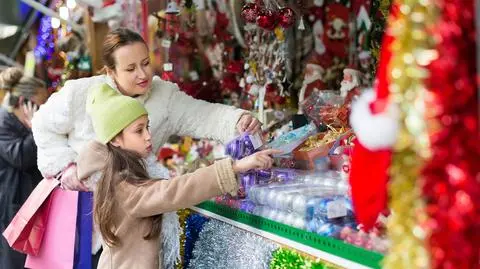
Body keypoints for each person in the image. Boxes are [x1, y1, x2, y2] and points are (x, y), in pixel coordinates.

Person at [31, 28, 261, 267]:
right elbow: (42, 125)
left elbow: (203, 115)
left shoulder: (164, 96)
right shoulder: (79, 93)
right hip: (80, 209)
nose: (142, 74)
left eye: (145, 63)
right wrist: (67, 167)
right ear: (111, 71)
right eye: (130, 69)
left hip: (132, 212)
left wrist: (237, 120)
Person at [76, 83, 277, 269]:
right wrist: (235, 167)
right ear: (116, 140)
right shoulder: (122, 187)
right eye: (139, 131)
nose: (148, 135)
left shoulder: (123, 172)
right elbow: (171, 191)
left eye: (147, 126)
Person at [0, 67, 49, 268]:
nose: (44, 111)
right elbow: (19, 156)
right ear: (23, 102)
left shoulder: (21, 123)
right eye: (41, 105)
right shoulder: (4, 122)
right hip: (11, 208)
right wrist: (35, 128)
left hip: (28, 203)